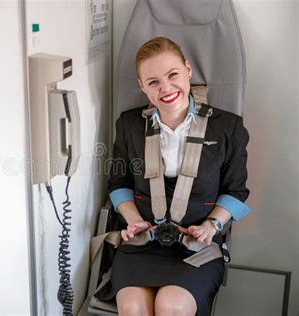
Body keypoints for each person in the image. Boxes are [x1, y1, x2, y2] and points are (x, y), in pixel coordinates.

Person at [95, 37, 251, 316]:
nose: (166, 88)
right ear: (142, 86)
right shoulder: (129, 124)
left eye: (173, 75)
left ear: (188, 70)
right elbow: (119, 185)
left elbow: (235, 192)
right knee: (132, 308)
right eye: (153, 82)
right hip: (142, 242)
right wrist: (132, 221)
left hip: (196, 246)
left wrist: (211, 226)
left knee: (172, 306)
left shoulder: (228, 127)